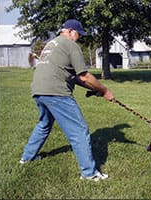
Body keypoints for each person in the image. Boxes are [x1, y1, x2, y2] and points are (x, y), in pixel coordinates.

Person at [19, 19, 114, 181]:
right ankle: (89, 174)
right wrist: (104, 90)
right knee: (79, 130)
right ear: (70, 31)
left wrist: (94, 89)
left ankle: (27, 158)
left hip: (38, 90)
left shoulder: (51, 45)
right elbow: (84, 75)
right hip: (56, 92)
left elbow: (74, 77)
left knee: (44, 124)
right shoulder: (70, 45)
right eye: (78, 34)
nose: (79, 38)